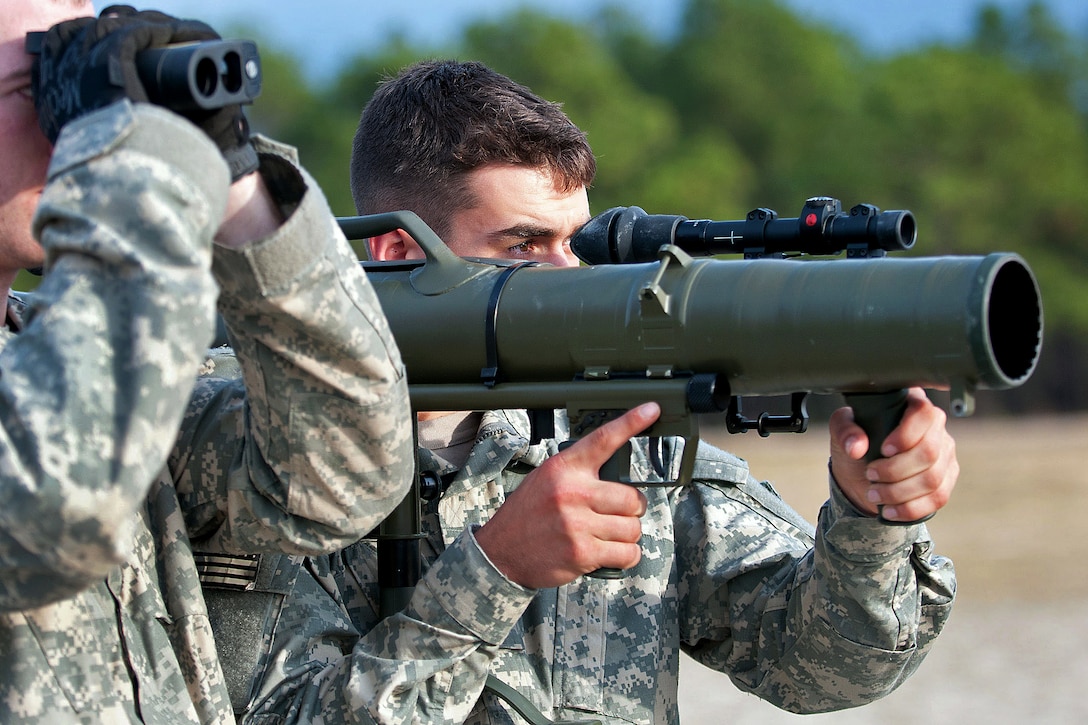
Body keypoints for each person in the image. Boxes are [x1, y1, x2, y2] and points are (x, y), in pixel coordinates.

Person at [239, 60, 959, 724]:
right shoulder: (263, 455)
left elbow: (824, 667)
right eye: (524, 246)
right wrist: (495, 570)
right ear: (400, 252)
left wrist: (872, 514)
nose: (570, 277)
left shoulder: (604, 432)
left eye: (577, 246)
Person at [0, 3, 413, 723]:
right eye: (36, 87)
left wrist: (233, 174)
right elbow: (50, 517)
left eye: (74, 80)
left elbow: (340, 478)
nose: (65, 128)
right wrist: (128, 167)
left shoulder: (64, 353)